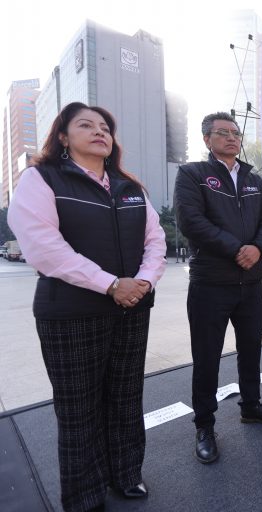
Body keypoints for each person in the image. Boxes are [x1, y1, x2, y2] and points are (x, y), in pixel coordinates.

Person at [8, 102, 166, 511]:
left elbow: (156, 241)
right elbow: (44, 249)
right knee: (79, 409)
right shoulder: (41, 179)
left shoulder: (131, 188)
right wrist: (111, 284)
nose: (99, 132)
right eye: (85, 125)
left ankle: (127, 474)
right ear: (63, 136)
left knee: (126, 398)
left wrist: (144, 282)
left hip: (132, 309)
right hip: (71, 313)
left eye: (105, 127)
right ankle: (84, 495)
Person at [175, 112, 262, 466]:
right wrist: (235, 248)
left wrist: (257, 248)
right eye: (222, 133)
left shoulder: (253, 178)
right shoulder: (193, 174)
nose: (231, 138)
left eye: (235, 133)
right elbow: (191, 221)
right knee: (207, 358)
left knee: (251, 348)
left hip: (251, 283)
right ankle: (204, 426)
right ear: (207, 139)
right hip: (211, 282)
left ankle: (251, 406)